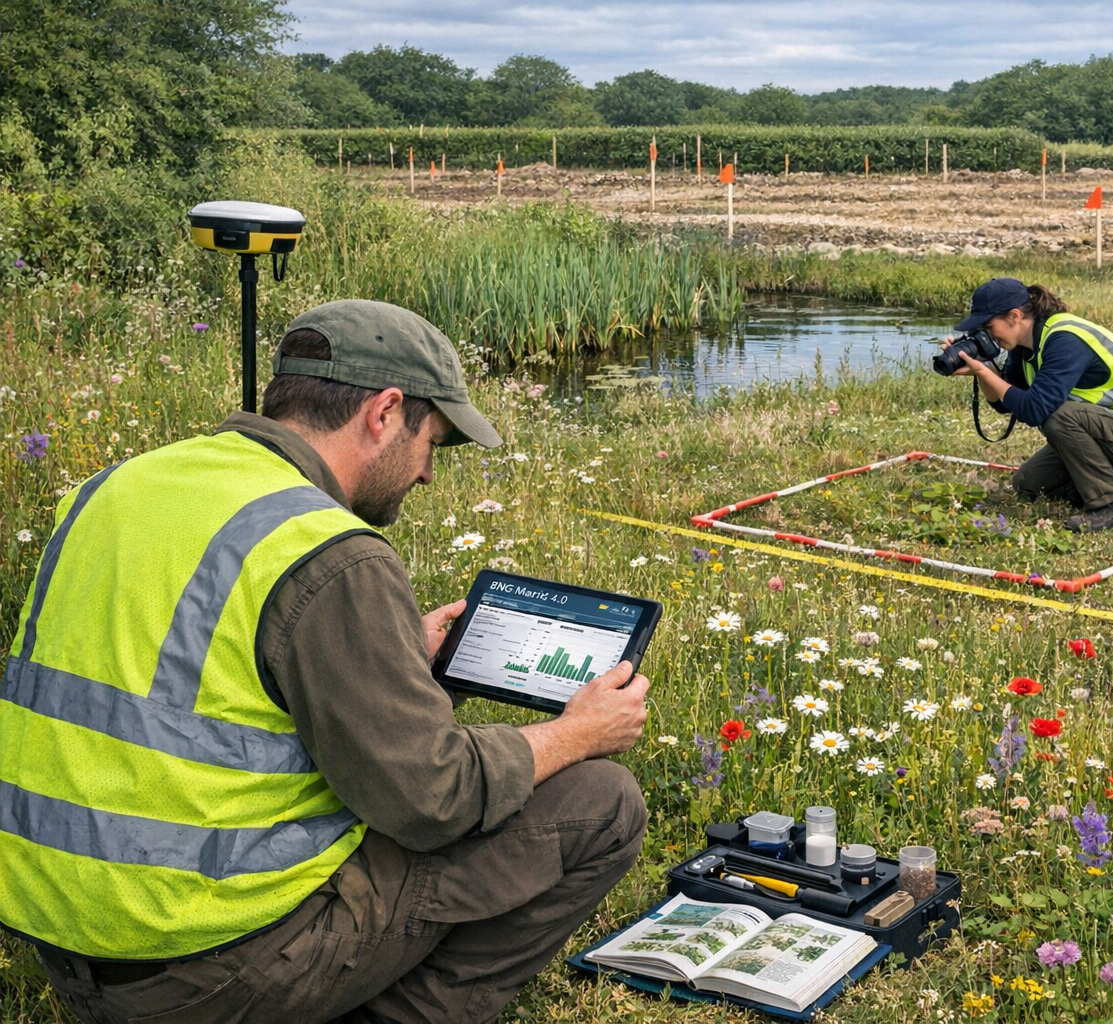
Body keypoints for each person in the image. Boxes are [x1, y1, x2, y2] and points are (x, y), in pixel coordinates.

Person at [1, 299, 650, 1024]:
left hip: (69, 948)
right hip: (210, 968)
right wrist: (575, 734)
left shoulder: (114, 489)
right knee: (604, 803)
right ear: (384, 412)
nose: (429, 474)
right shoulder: (328, 551)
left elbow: (193, 692)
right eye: (432, 442)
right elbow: (433, 801)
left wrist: (395, 666)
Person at [943, 277, 1113, 532]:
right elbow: (1006, 405)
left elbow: (1035, 410)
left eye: (987, 327)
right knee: (1029, 483)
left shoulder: (1064, 340)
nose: (987, 337)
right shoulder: (1024, 347)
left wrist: (986, 374)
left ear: (1014, 316)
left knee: (1058, 417)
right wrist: (981, 369)